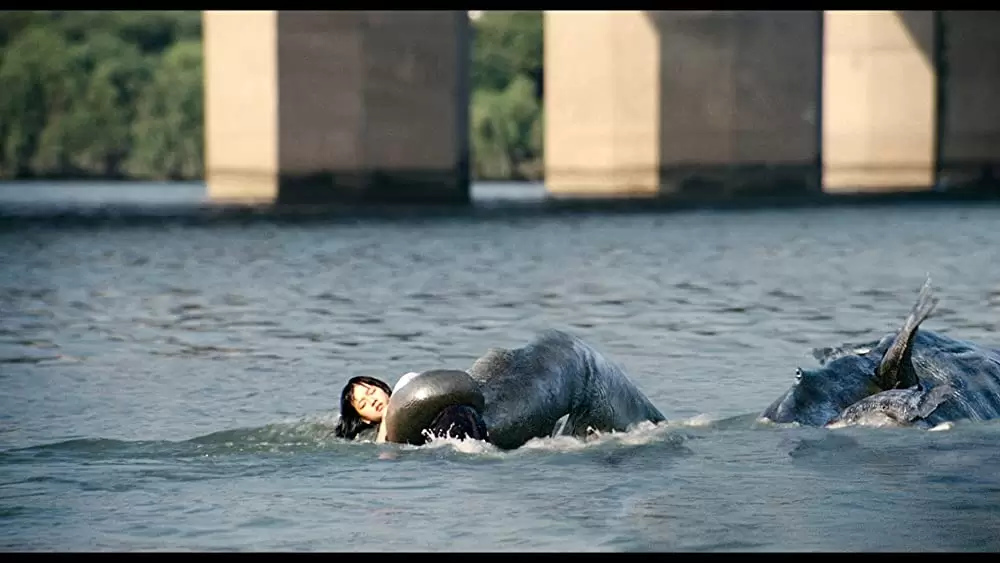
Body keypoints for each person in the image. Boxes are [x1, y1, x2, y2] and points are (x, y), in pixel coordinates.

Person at [334, 373, 489, 443]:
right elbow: (383, 456)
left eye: (372, 392)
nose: (372, 401)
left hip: (457, 417)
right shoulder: (370, 438)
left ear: (382, 388)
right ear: (364, 419)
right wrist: (386, 422)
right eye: (363, 404)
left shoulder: (406, 390)